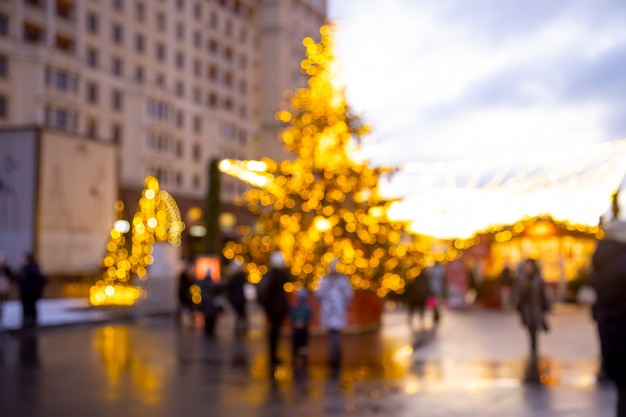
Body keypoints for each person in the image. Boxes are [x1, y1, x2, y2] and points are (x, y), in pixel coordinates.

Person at [589, 211, 626, 416]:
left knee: (622, 396)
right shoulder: (621, 262)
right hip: (623, 336)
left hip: (612, 338)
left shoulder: (603, 263)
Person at [315, 259, 354, 373]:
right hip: (337, 310)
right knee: (335, 333)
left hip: (331, 310)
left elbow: (318, 293)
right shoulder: (341, 280)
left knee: (333, 333)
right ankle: (335, 353)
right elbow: (348, 294)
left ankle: (334, 354)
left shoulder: (325, 280)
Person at [257, 251, 290, 370]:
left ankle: (272, 355)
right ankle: (273, 356)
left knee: (273, 332)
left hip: (271, 308)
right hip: (277, 308)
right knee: (275, 332)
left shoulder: (269, 274)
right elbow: (288, 279)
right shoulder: (279, 275)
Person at [515, 258, 549, 358]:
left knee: (535, 328)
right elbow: (519, 294)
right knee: (530, 328)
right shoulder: (522, 279)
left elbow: (542, 295)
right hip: (527, 309)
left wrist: (545, 306)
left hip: (536, 308)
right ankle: (532, 347)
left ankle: (534, 347)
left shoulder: (538, 279)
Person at [18, 253, 46, 328]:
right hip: (25, 292)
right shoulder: (23, 269)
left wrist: (35, 288)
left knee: (31, 307)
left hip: (31, 293)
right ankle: (26, 321)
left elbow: (41, 280)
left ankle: (32, 321)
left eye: (23, 259)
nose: (21, 261)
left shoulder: (32, 269)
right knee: (25, 307)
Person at [289, 289, 312, 370]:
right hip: (298, 329)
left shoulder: (303, 308)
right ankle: (297, 358)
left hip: (301, 329)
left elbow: (308, 317)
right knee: (299, 344)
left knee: (302, 345)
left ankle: (301, 358)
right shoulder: (299, 308)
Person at [224, 262, 248, 336]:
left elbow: (228, 286)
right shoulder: (241, 277)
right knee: (241, 313)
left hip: (237, 298)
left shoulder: (235, 278)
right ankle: (242, 327)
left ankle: (240, 327)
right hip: (240, 298)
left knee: (239, 313)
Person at [200, 272, 223, 338]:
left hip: (207, 306)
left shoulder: (203, 286)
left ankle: (207, 331)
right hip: (211, 306)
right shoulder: (212, 284)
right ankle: (210, 332)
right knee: (211, 320)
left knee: (207, 320)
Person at [424, 262, 446, 327]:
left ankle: (436, 314)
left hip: (435, 288)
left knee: (436, 303)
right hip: (436, 288)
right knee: (436, 303)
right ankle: (436, 314)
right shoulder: (440, 269)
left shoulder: (433, 269)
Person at [0, 254, 13, 325]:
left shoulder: (7, 269)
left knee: (2, 305)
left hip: (4, 290)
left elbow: (10, 278)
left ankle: (1, 319)